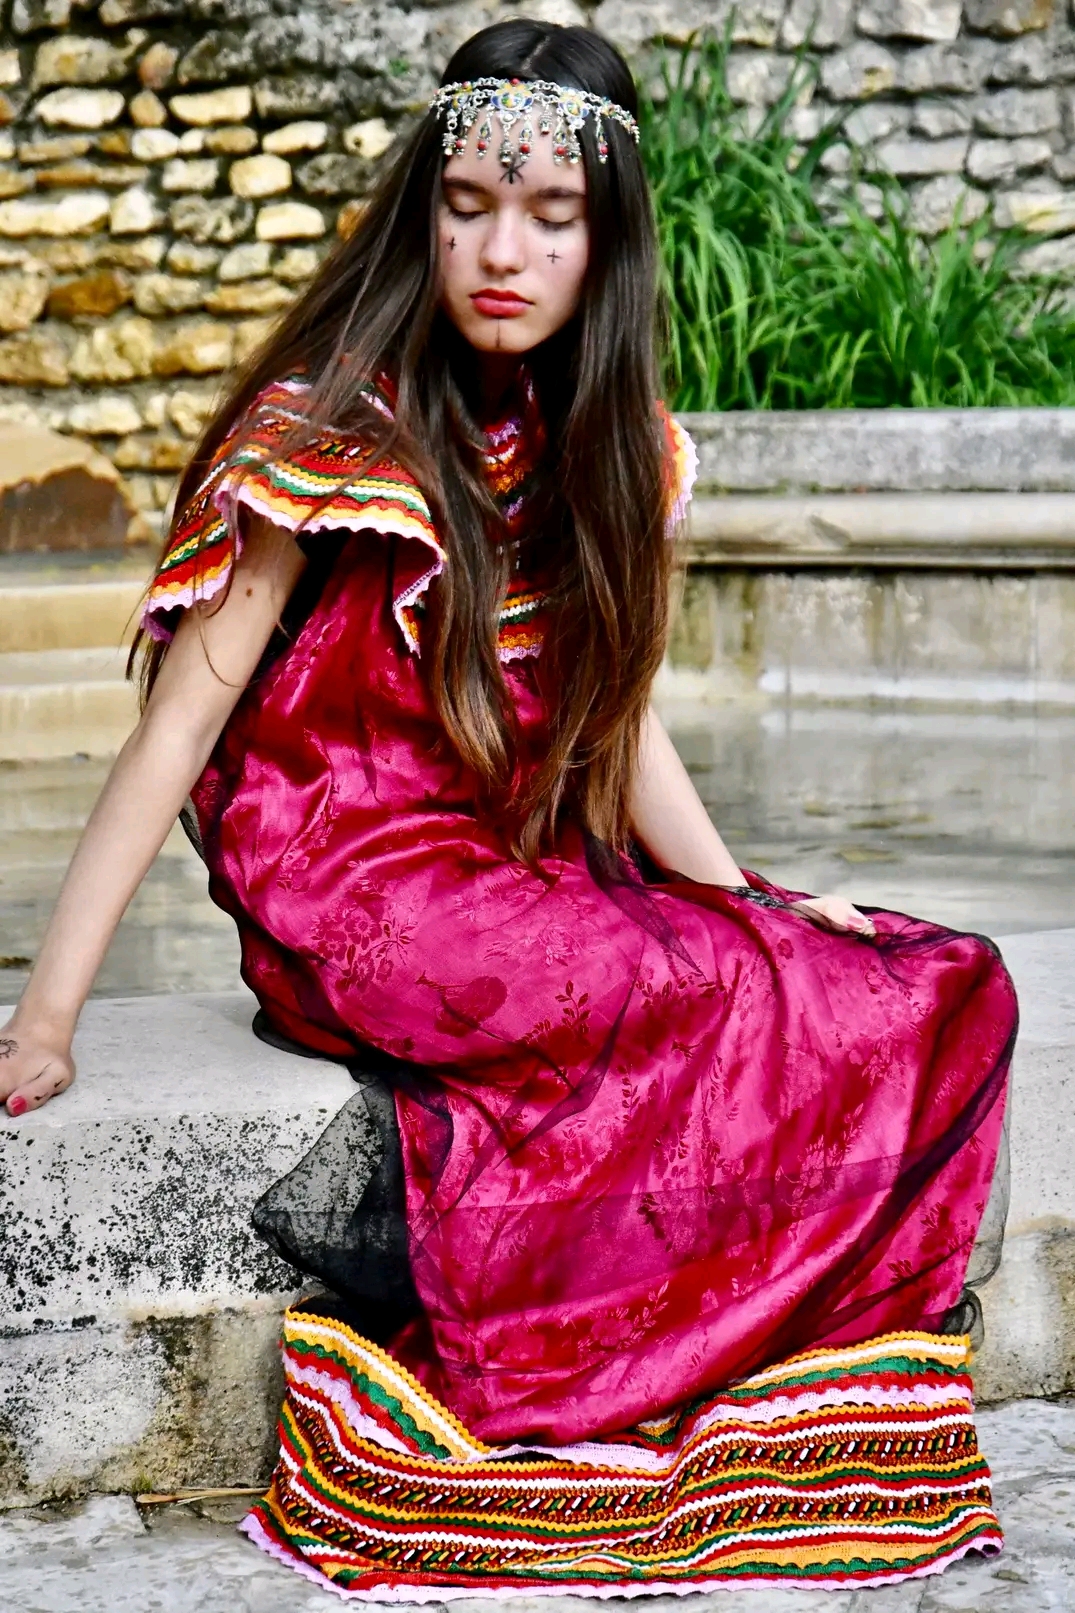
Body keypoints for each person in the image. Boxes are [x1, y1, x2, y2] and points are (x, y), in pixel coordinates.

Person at [1, 17, 1017, 1599]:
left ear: (606, 243)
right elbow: (183, 717)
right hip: (350, 876)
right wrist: (49, 1011)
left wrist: (746, 894)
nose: (501, 252)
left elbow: (620, 726)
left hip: (506, 865)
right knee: (674, 987)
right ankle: (576, 1363)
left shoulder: (604, 448)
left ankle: (707, 1348)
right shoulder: (329, 424)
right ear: (425, 211)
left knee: (911, 984)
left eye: (552, 218)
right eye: (469, 204)